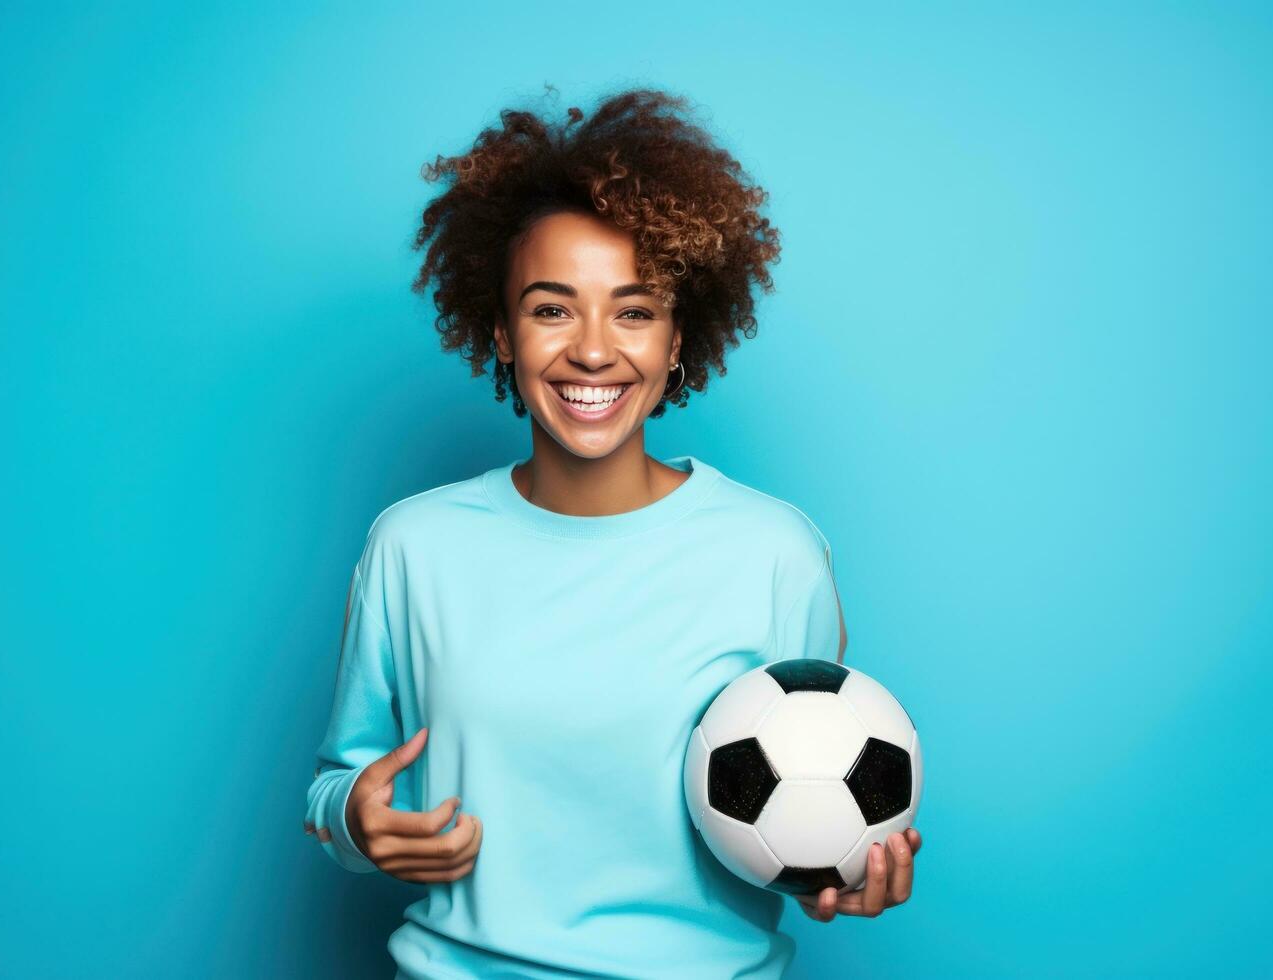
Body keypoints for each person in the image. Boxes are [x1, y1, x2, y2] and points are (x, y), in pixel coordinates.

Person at [303, 87, 922, 978]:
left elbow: (800, 801)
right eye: (552, 308)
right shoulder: (414, 547)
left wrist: (846, 873)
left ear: (678, 341)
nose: (594, 350)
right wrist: (357, 824)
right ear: (501, 333)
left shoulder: (775, 553)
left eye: (634, 310)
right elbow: (337, 782)